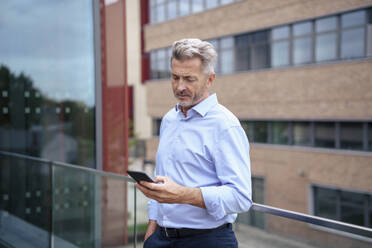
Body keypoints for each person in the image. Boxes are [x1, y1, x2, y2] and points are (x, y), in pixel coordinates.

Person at [135, 38, 252, 248]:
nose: (180, 87)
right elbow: (162, 178)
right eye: (175, 77)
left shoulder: (225, 126)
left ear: (209, 79)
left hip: (207, 240)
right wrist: (152, 228)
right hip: (161, 238)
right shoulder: (169, 119)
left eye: (189, 79)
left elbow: (241, 197)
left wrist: (183, 195)